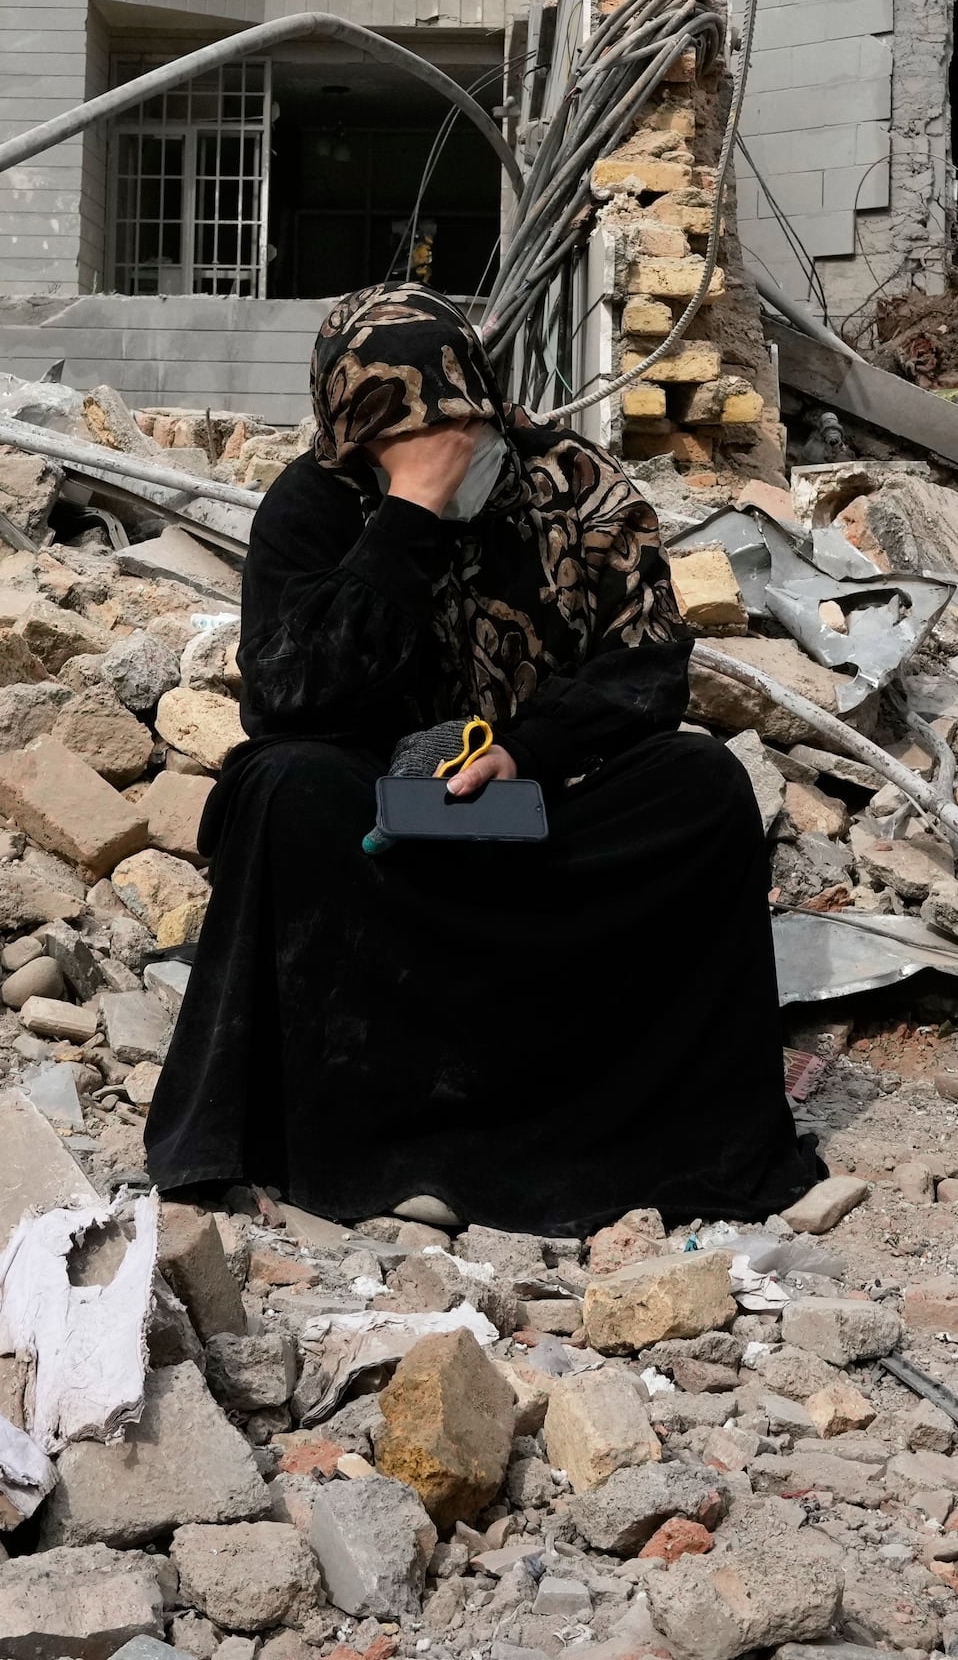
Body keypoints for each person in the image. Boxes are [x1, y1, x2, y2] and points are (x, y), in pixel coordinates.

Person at [147, 284, 822, 1235]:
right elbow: (289, 696)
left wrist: (528, 753)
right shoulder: (311, 508)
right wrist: (410, 515)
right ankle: (360, 1141)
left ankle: (648, 1134)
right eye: (396, 440)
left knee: (701, 785)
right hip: (389, 852)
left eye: (453, 431)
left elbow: (649, 669)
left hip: (538, 829)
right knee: (282, 786)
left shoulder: (577, 488)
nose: (439, 451)